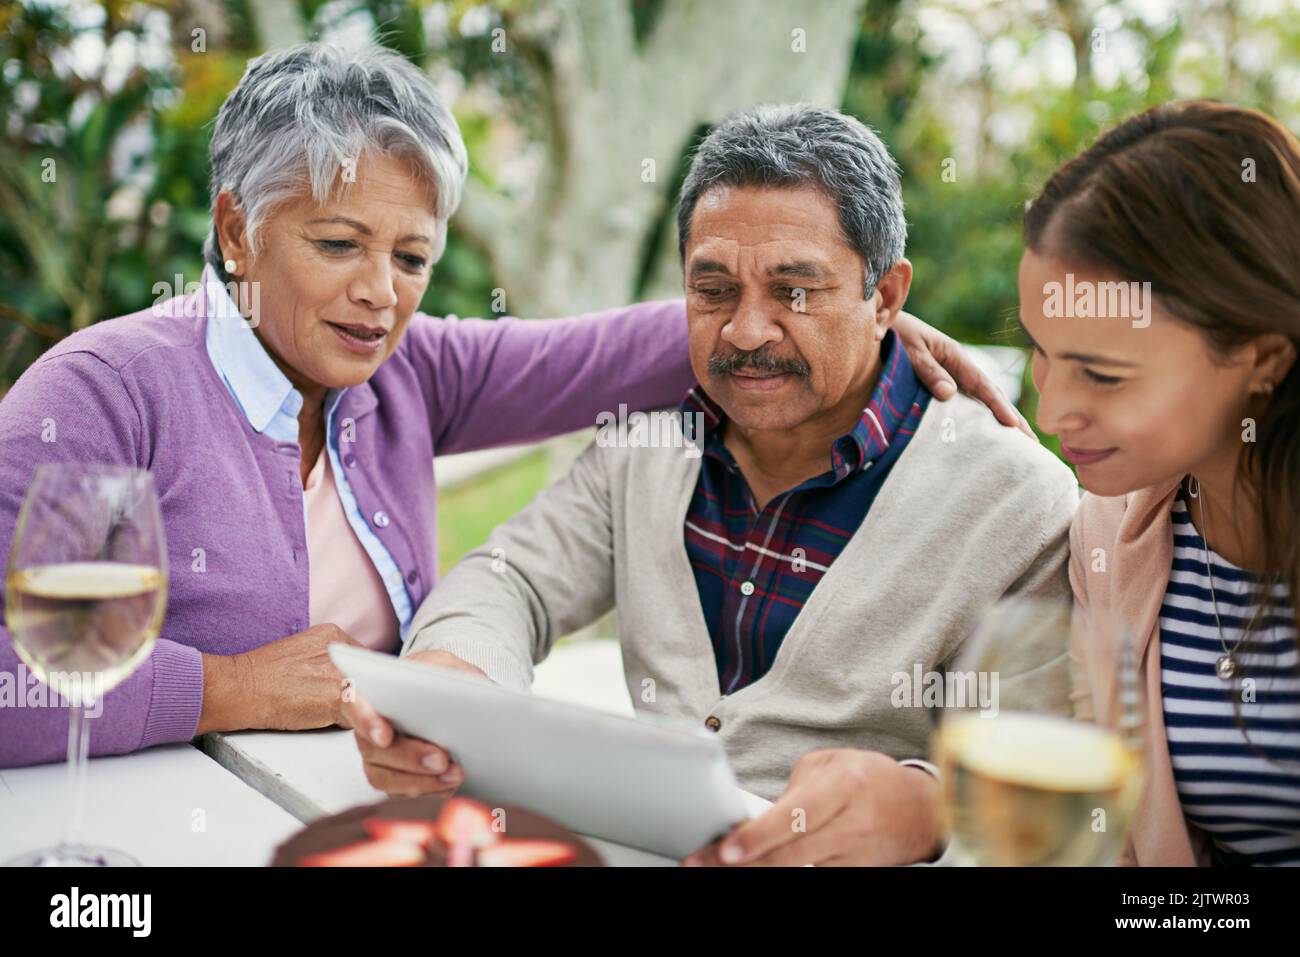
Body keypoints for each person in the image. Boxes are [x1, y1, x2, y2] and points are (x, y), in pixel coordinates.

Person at [0, 44, 1013, 769]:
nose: (380, 292)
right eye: (339, 244)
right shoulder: (104, 394)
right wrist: (227, 689)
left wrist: (856, 326)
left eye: (411, 258)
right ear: (236, 230)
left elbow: (618, 351)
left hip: (342, 819)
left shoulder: (401, 370)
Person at [345, 104, 1079, 866]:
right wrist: (456, 674)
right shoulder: (649, 439)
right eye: (714, 289)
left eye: (795, 290)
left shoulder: (1018, 504)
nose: (746, 331)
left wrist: (927, 810)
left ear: (886, 297)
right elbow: (514, 578)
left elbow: (1050, 797)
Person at [1019, 101, 1300, 865]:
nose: (1052, 412)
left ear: (1262, 359)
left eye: (1103, 374)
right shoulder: (1111, 535)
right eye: (1041, 350)